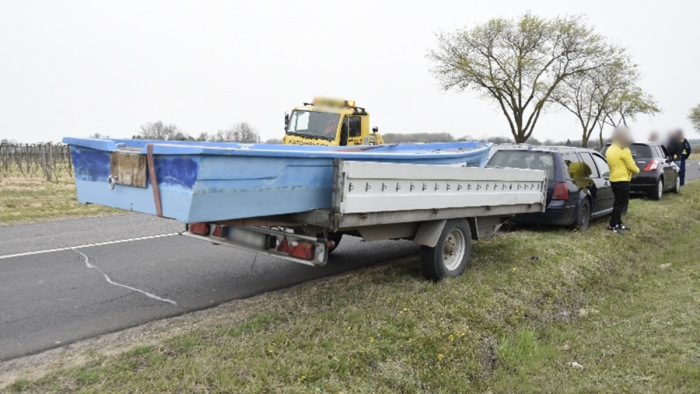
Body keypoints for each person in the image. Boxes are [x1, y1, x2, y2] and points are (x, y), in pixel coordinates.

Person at [605, 128, 640, 235]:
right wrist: (637, 170)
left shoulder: (610, 149)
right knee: (620, 203)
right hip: (622, 179)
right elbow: (631, 165)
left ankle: (619, 222)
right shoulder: (624, 151)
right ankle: (613, 224)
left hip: (614, 178)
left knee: (618, 201)